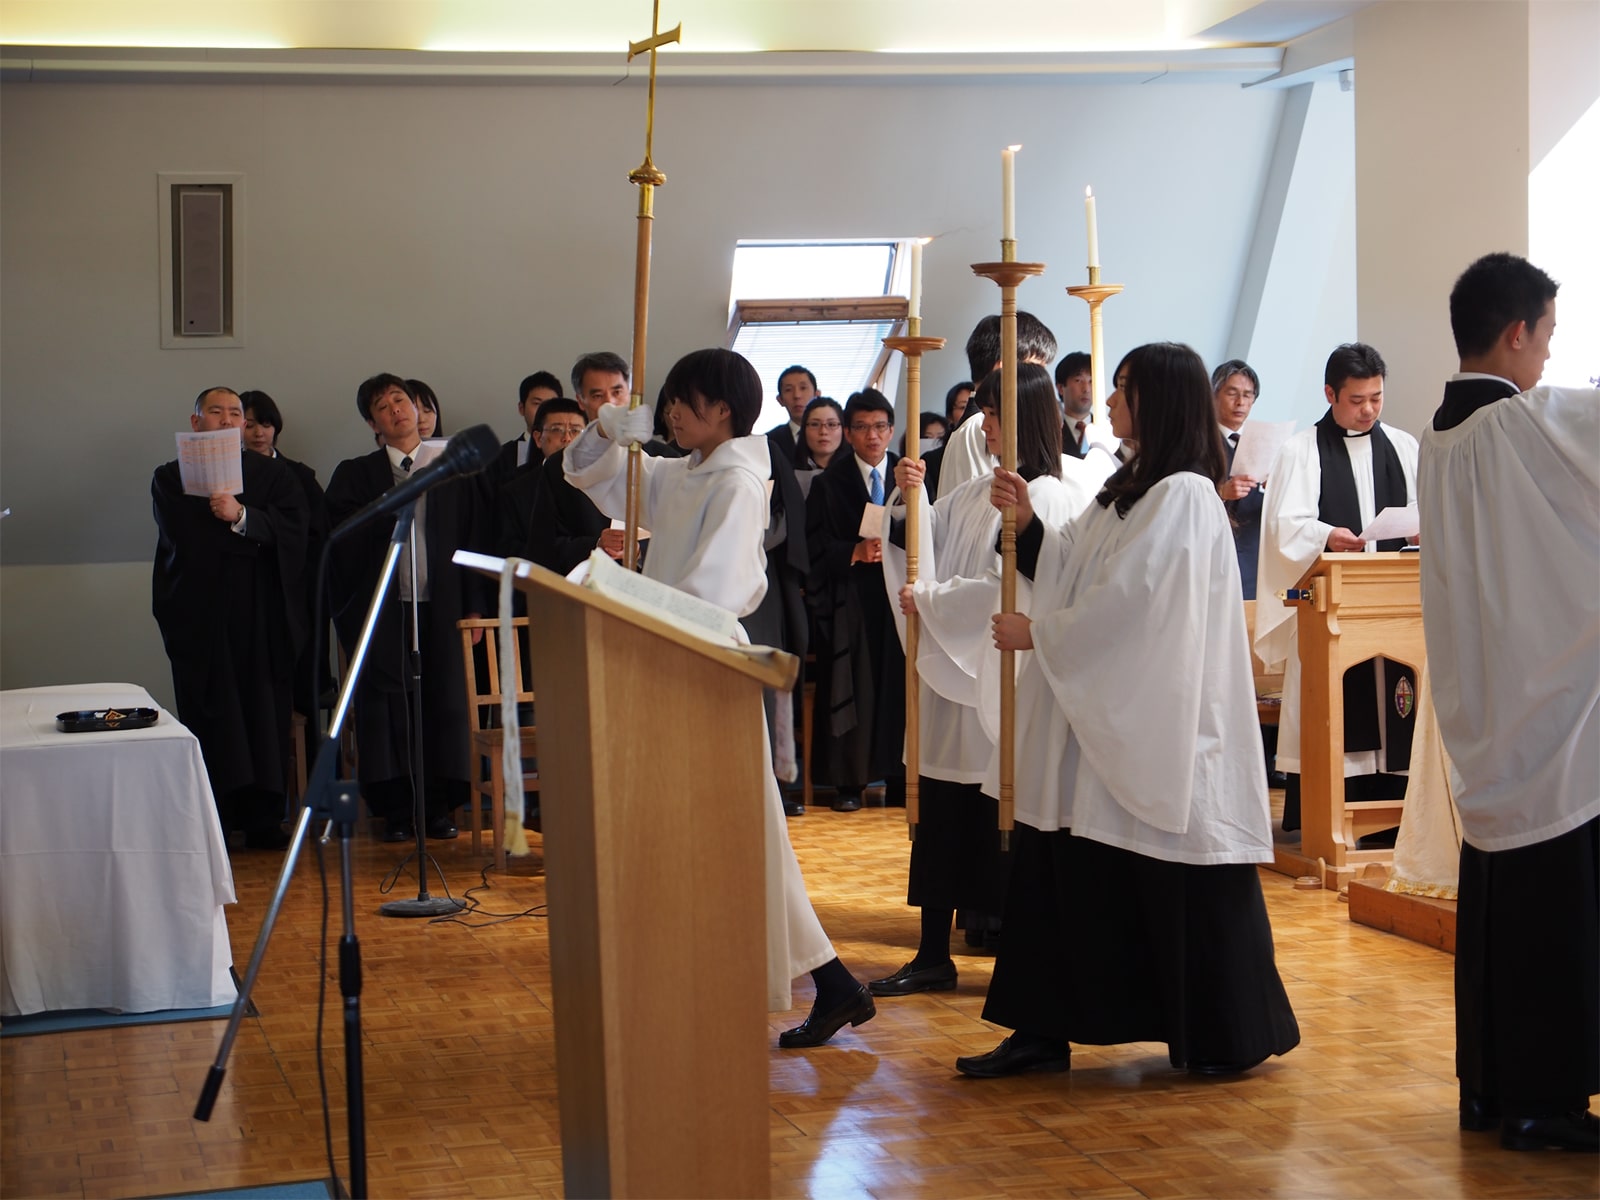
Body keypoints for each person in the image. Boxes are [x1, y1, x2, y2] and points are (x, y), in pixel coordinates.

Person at [954, 342, 1300, 1079]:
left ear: (1158, 401)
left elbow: (1135, 603)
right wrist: (1027, 521)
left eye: (1122, 389)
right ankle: (1041, 1028)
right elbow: (1073, 567)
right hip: (1097, 721)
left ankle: (1220, 1033)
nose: (1108, 402)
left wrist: (1041, 634)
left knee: (1171, 875)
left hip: (1160, 722)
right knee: (1060, 868)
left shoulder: (1184, 495)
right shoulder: (1126, 489)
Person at [564, 346, 876, 1048]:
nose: (672, 412)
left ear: (726, 410)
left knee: (737, 834)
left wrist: (621, 593)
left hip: (703, 664)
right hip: (672, 657)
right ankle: (829, 985)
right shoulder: (686, 470)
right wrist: (608, 427)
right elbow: (593, 475)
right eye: (671, 400)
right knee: (732, 835)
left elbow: (715, 592)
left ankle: (803, 983)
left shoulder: (737, 481)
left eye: (685, 400)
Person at [1420, 252, 1597, 1153]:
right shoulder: (1526, 425)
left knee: (1499, 893)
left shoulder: (1438, 436)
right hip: (1551, 712)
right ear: (1518, 331)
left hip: (1488, 703)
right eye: (1549, 336)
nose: (1550, 357)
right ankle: (1542, 1099)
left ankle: (1489, 1087)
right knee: (1556, 907)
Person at [870, 364, 1099, 997]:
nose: (982, 424)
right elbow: (923, 540)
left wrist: (932, 601)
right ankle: (931, 952)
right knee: (941, 814)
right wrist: (910, 497)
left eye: (993, 413)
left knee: (998, 819)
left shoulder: (1046, 494)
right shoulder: (976, 490)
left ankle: (1015, 955)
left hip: (1003, 677)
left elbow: (1015, 585)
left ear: (1025, 418)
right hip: (951, 684)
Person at [1254, 343, 1419, 833]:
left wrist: (1418, 533)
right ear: (1330, 394)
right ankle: (1329, 821)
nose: (1369, 410)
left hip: (1392, 607)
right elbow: (1284, 528)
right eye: (1357, 400)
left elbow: (1423, 511)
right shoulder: (1301, 451)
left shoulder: (1404, 447)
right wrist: (1326, 535)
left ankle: (1394, 816)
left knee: (1397, 707)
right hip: (1332, 609)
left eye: (1377, 398)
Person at [323, 374, 488, 842]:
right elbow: (339, 542)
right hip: (385, 610)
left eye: (401, 400)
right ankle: (395, 810)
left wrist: (476, 607)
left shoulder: (455, 469)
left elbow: (478, 537)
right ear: (373, 424)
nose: (395, 409)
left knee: (443, 706)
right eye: (382, 406)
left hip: (444, 607)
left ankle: (438, 807)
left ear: (418, 409)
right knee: (387, 710)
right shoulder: (355, 475)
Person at [152, 386, 308, 849]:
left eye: (235, 413)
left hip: (261, 612)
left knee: (263, 711)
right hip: (201, 614)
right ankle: (213, 818)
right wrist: (234, 528)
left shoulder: (273, 473)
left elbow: (295, 530)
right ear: (195, 422)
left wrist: (242, 516)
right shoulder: (170, 476)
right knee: (212, 712)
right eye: (215, 411)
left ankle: (264, 820)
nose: (226, 419)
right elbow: (179, 535)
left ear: (244, 423)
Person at [805, 387, 905, 813]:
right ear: (847, 433)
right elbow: (812, 548)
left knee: (899, 686)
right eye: (862, 427)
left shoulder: (908, 478)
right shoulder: (829, 484)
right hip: (852, 600)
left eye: (880, 427)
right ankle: (850, 781)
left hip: (900, 597)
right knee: (856, 685)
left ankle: (900, 777)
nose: (872, 436)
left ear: (892, 430)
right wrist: (854, 551)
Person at [239, 389, 332, 729]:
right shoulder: (227, 475)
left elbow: (319, 533)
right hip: (246, 592)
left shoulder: (300, 475)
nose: (258, 433)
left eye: (265, 424)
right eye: (250, 425)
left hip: (295, 589)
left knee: (299, 676)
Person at [525, 351, 632, 574]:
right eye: (597, 395)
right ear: (581, 401)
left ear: (630, 393)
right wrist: (595, 545)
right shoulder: (559, 467)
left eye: (617, 392)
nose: (610, 404)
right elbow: (543, 546)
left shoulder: (661, 457)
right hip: (583, 584)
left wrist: (639, 549)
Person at [935, 312, 1059, 501]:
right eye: (1034, 369)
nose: (1041, 380)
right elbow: (990, 509)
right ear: (1002, 369)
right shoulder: (979, 427)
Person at [492, 395, 585, 560]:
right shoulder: (514, 491)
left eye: (576, 430)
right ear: (537, 438)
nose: (567, 438)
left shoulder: (599, 485)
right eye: (557, 430)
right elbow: (509, 549)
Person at [1211, 360, 1266, 600]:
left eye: (1248, 395)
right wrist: (1220, 493)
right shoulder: (1199, 442)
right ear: (1214, 395)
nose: (1240, 402)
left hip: (1254, 555)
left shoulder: (1263, 444)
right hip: (1216, 554)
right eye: (1232, 393)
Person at [765, 365, 819, 460]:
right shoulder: (769, 441)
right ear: (780, 400)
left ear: (816, 395)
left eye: (803, 388)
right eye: (788, 390)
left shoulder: (839, 435)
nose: (797, 395)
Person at [794, 397, 845, 479]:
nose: (823, 432)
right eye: (815, 424)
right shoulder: (788, 472)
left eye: (831, 424)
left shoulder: (857, 470)